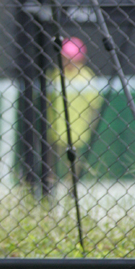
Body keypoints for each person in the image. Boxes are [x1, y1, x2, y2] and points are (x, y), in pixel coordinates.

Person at [47, 37, 103, 180]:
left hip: (77, 132)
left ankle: (71, 194)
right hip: (54, 132)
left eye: (70, 58)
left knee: (72, 167)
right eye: (64, 58)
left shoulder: (87, 78)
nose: (67, 62)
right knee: (50, 166)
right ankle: (50, 191)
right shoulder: (54, 75)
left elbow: (94, 107)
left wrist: (90, 127)